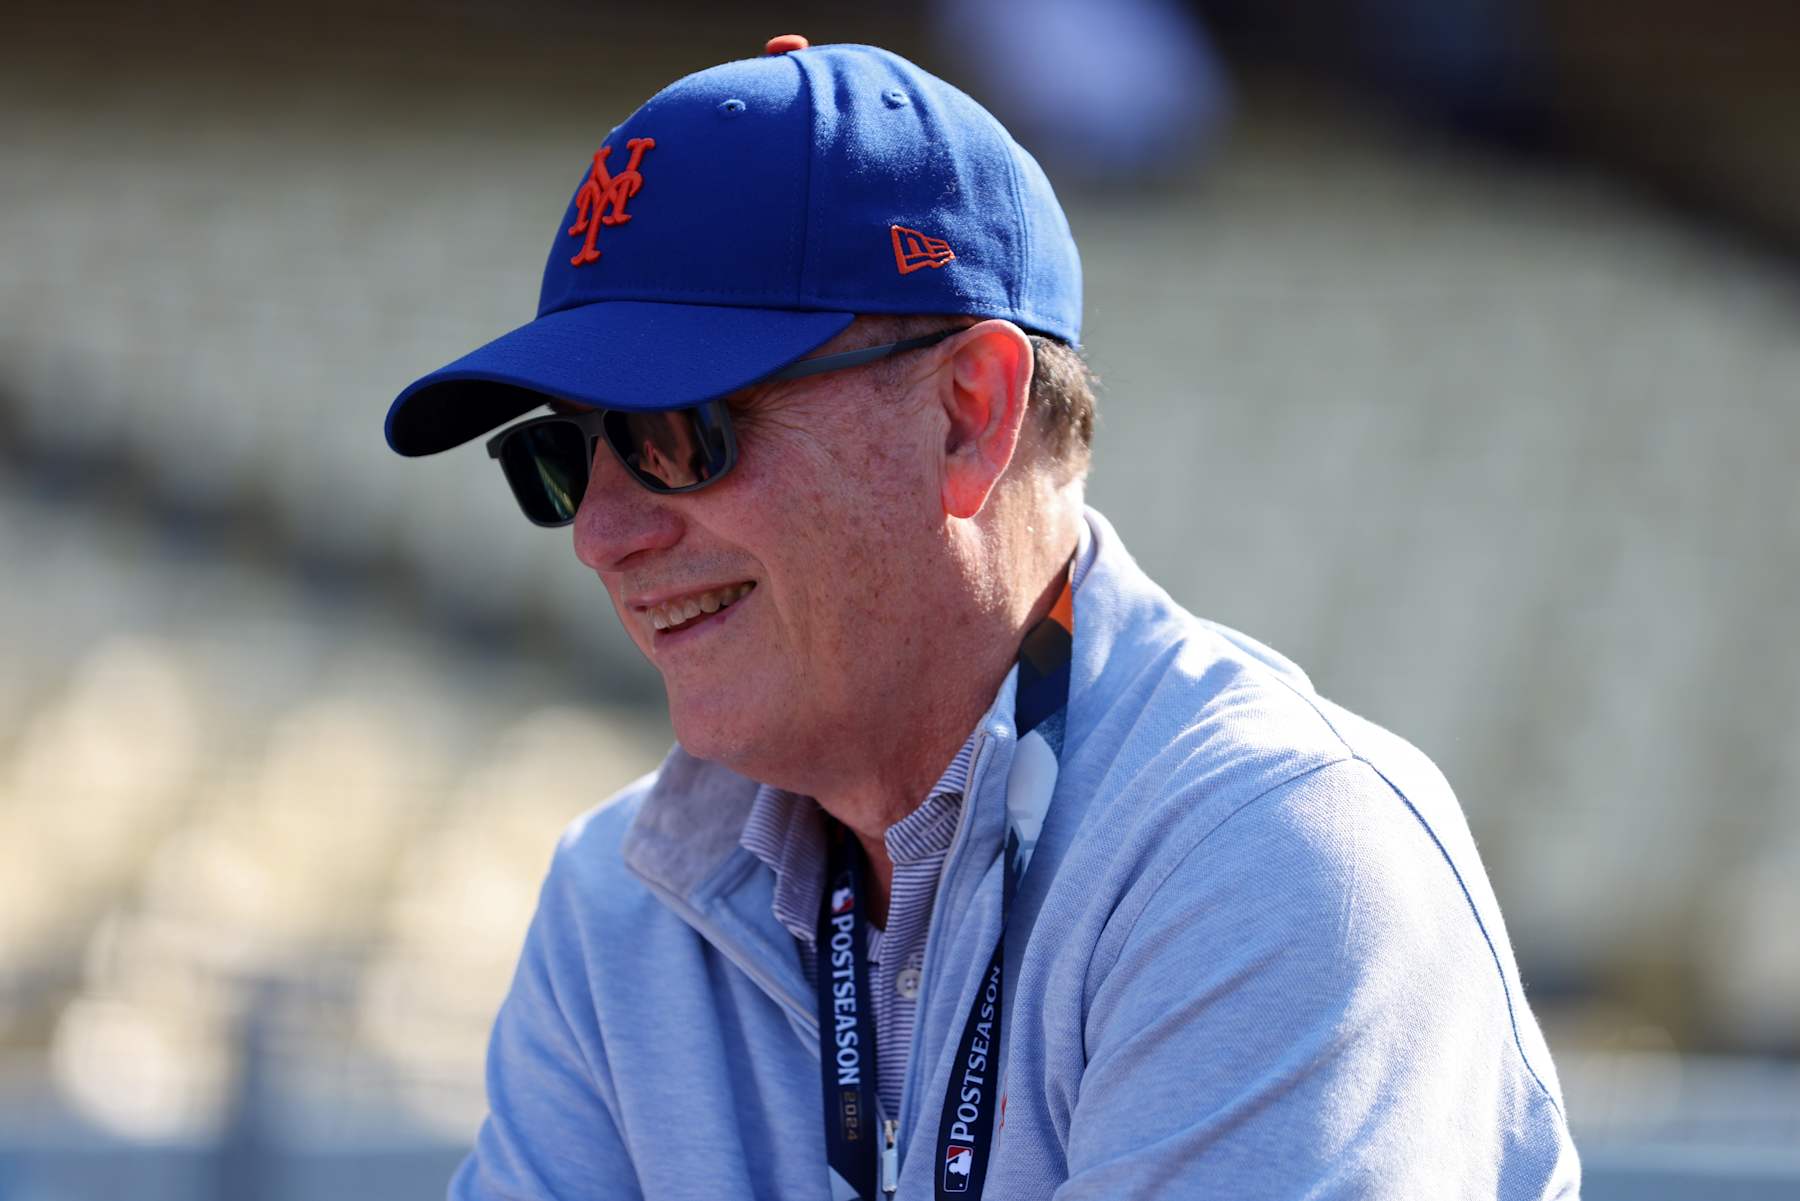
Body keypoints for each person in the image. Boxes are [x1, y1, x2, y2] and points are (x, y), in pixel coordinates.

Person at [386, 36, 1581, 1201]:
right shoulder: (618, 902)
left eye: (673, 434)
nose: (602, 533)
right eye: (563, 454)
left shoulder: (1271, 855)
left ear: (969, 412)